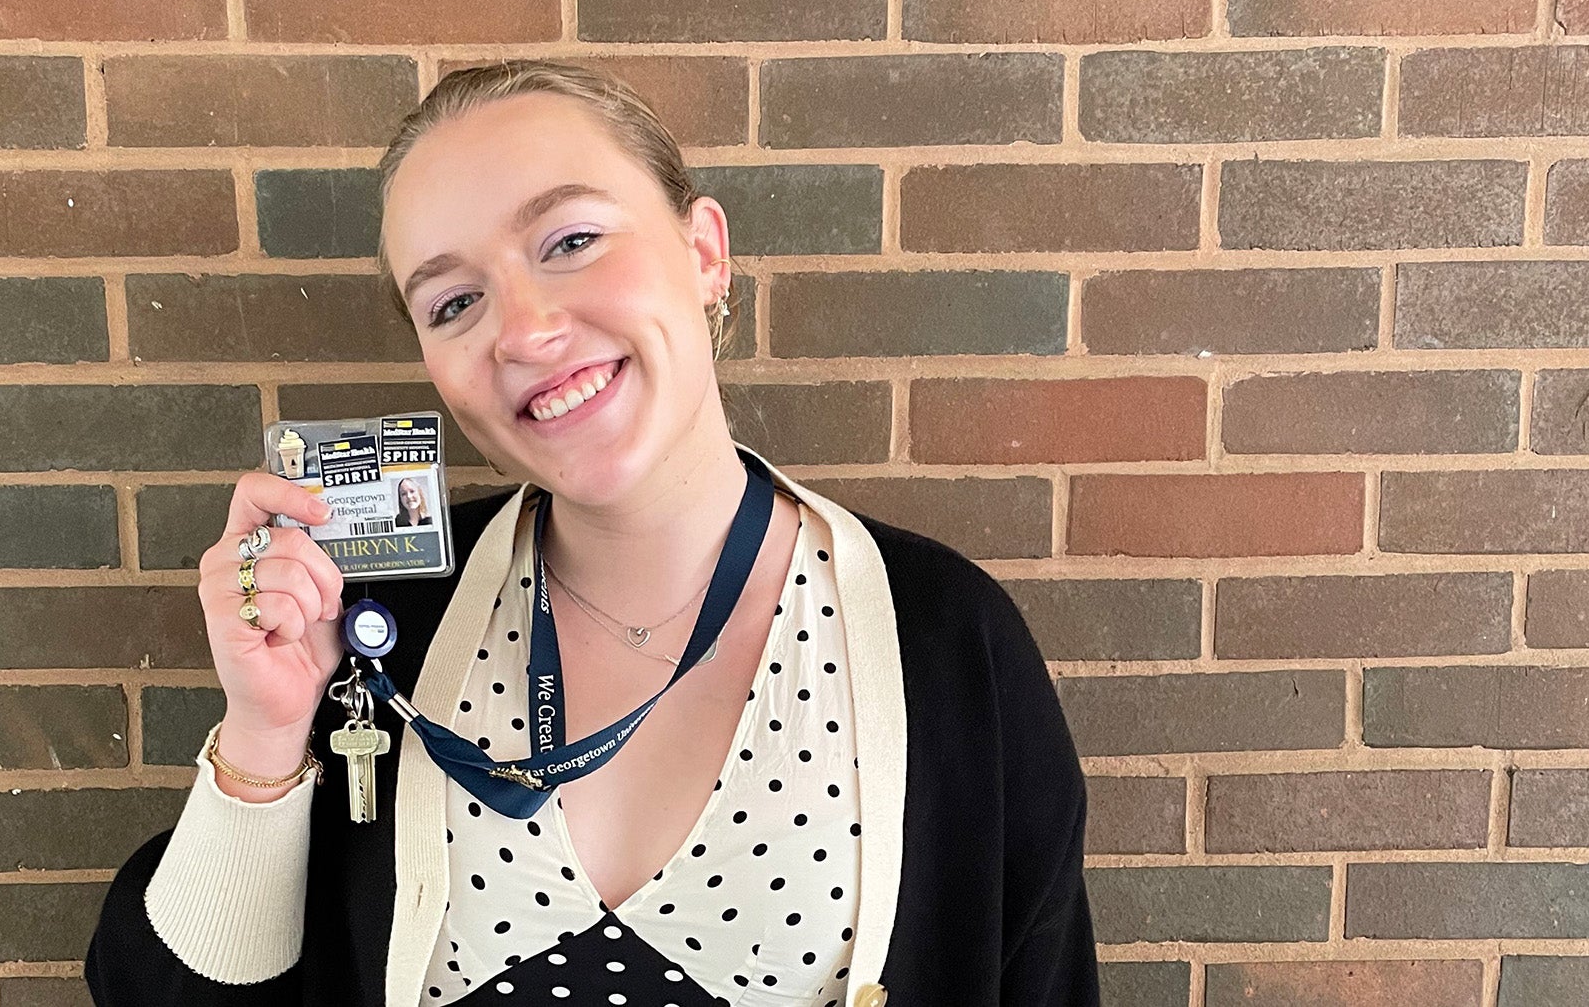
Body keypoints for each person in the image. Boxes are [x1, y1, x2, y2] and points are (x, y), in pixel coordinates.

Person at [84, 59, 1100, 1007]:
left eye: (570, 241)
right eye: (453, 301)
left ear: (703, 252)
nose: (522, 329)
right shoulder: (379, 630)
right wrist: (263, 739)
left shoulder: (939, 641)